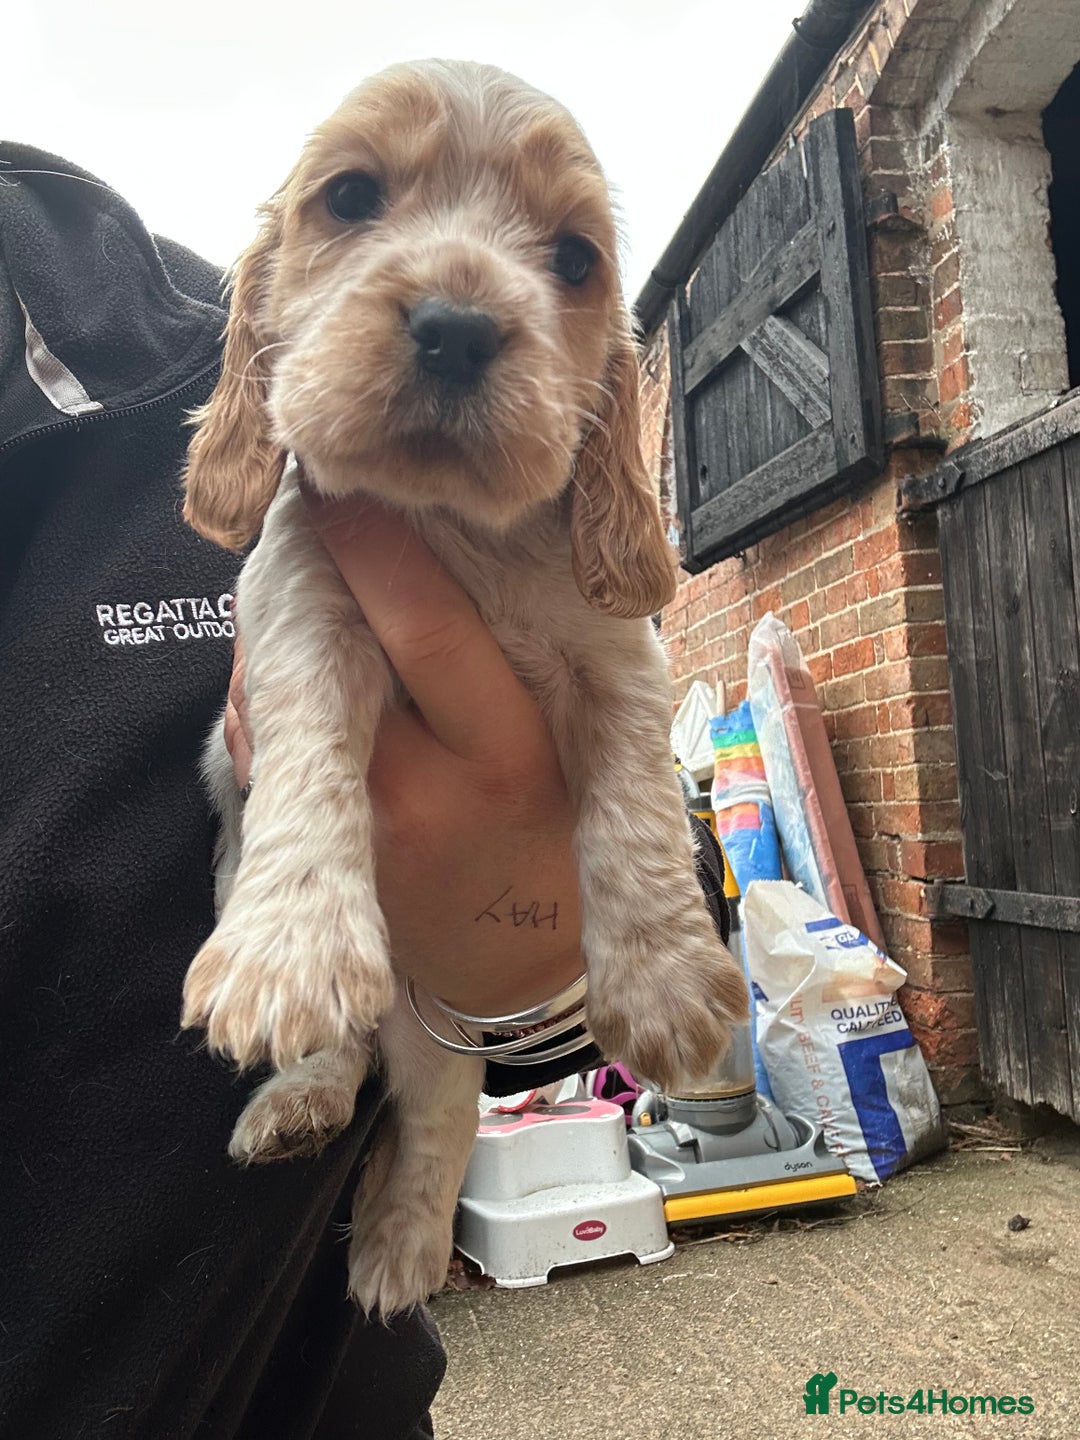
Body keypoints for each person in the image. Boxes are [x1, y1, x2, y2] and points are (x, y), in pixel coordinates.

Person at [0, 144, 728, 1439]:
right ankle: (336, 1077)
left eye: (564, 258)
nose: (452, 302)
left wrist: (532, 959)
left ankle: (413, 1172)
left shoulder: (154, 335)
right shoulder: (259, 389)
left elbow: (562, 977)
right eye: (356, 200)